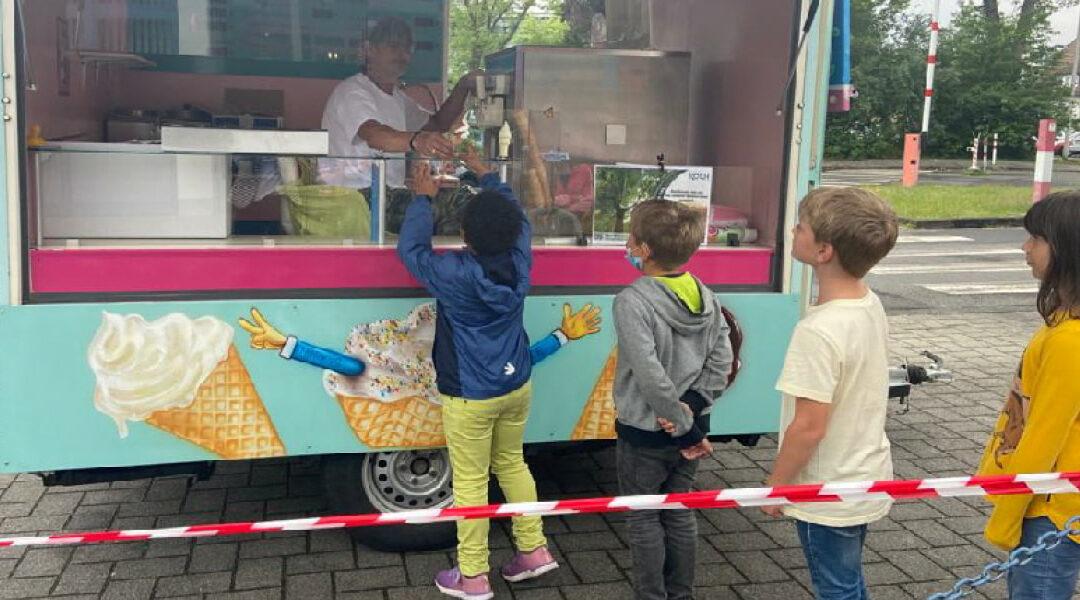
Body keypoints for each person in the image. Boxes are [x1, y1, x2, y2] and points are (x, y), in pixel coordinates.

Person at [397, 154, 558, 600]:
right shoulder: (520, 256)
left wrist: (422, 201)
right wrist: (487, 174)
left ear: (465, 235)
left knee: (469, 483)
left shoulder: (453, 273)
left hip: (470, 394)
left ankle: (472, 577)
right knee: (511, 462)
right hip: (516, 383)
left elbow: (411, 252)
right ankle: (533, 551)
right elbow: (517, 214)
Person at [760, 187, 899, 600]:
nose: (792, 230)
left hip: (826, 489)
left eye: (800, 226)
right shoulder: (868, 303)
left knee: (835, 588)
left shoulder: (817, 331)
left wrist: (777, 485)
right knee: (847, 580)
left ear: (823, 251)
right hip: (865, 474)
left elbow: (808, 427)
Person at [615, 199, 733, 600]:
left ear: (644, 249)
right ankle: (680, 594)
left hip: (647, 431)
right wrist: (695, 409)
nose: (628, 242)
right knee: (679, 511)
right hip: (693, 426)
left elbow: (649, 375)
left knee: (644, 516)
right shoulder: (705, 294)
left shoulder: (632, 300)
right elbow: (723, 357)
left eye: (632, 236)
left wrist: (682, 423)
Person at [976, 192, 1080, 600]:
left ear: (1066, 248)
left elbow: (1044, 436)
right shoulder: (1062, 323)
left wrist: (1008, 513)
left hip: (1049, 511)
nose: (1026, 247)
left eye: (1035, 238)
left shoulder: (1069, 341)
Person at [320, 16, 482, 232]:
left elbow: (436, 124)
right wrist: (417, 140)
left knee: (467, 204)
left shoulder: (397, 98)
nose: (402, 54)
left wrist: (463, 87)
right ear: (369, 50)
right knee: (458, 206)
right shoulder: (352, 91)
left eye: (407, 48)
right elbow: (375, 135)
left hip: (389, 194)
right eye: (393, 46)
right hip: (357, 198)